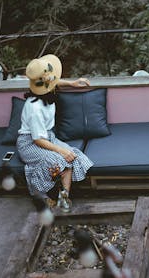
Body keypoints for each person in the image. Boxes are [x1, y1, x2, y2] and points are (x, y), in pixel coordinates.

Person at [17, 54, 93, 213]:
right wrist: (61, 150)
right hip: (30, 143)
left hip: (48, 136)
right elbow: (38, 140)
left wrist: (72, 83)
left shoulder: (47, 90)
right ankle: (39, 194)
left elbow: (53, 81)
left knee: (72, 156)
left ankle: (64, 196)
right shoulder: (34, 108)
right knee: (60, 160)